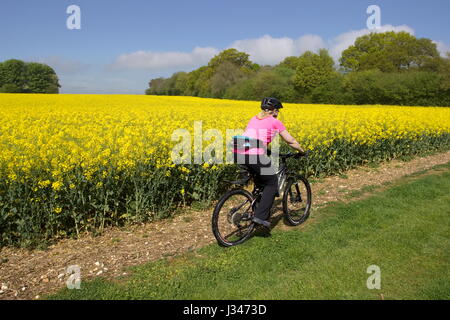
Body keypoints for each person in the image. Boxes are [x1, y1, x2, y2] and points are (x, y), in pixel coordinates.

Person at [232, 97, 305, 229]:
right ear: (275, 111)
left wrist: (267, 149)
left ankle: (256, 208)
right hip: (253, 154)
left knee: (261, 183)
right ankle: (259, 217)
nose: (278, 113)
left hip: (238, 151)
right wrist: (302, 151)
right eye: (278, 111)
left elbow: (254, 137)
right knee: (271, 183)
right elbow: (291, 141)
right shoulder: (275, 122)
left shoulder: (254, 118)